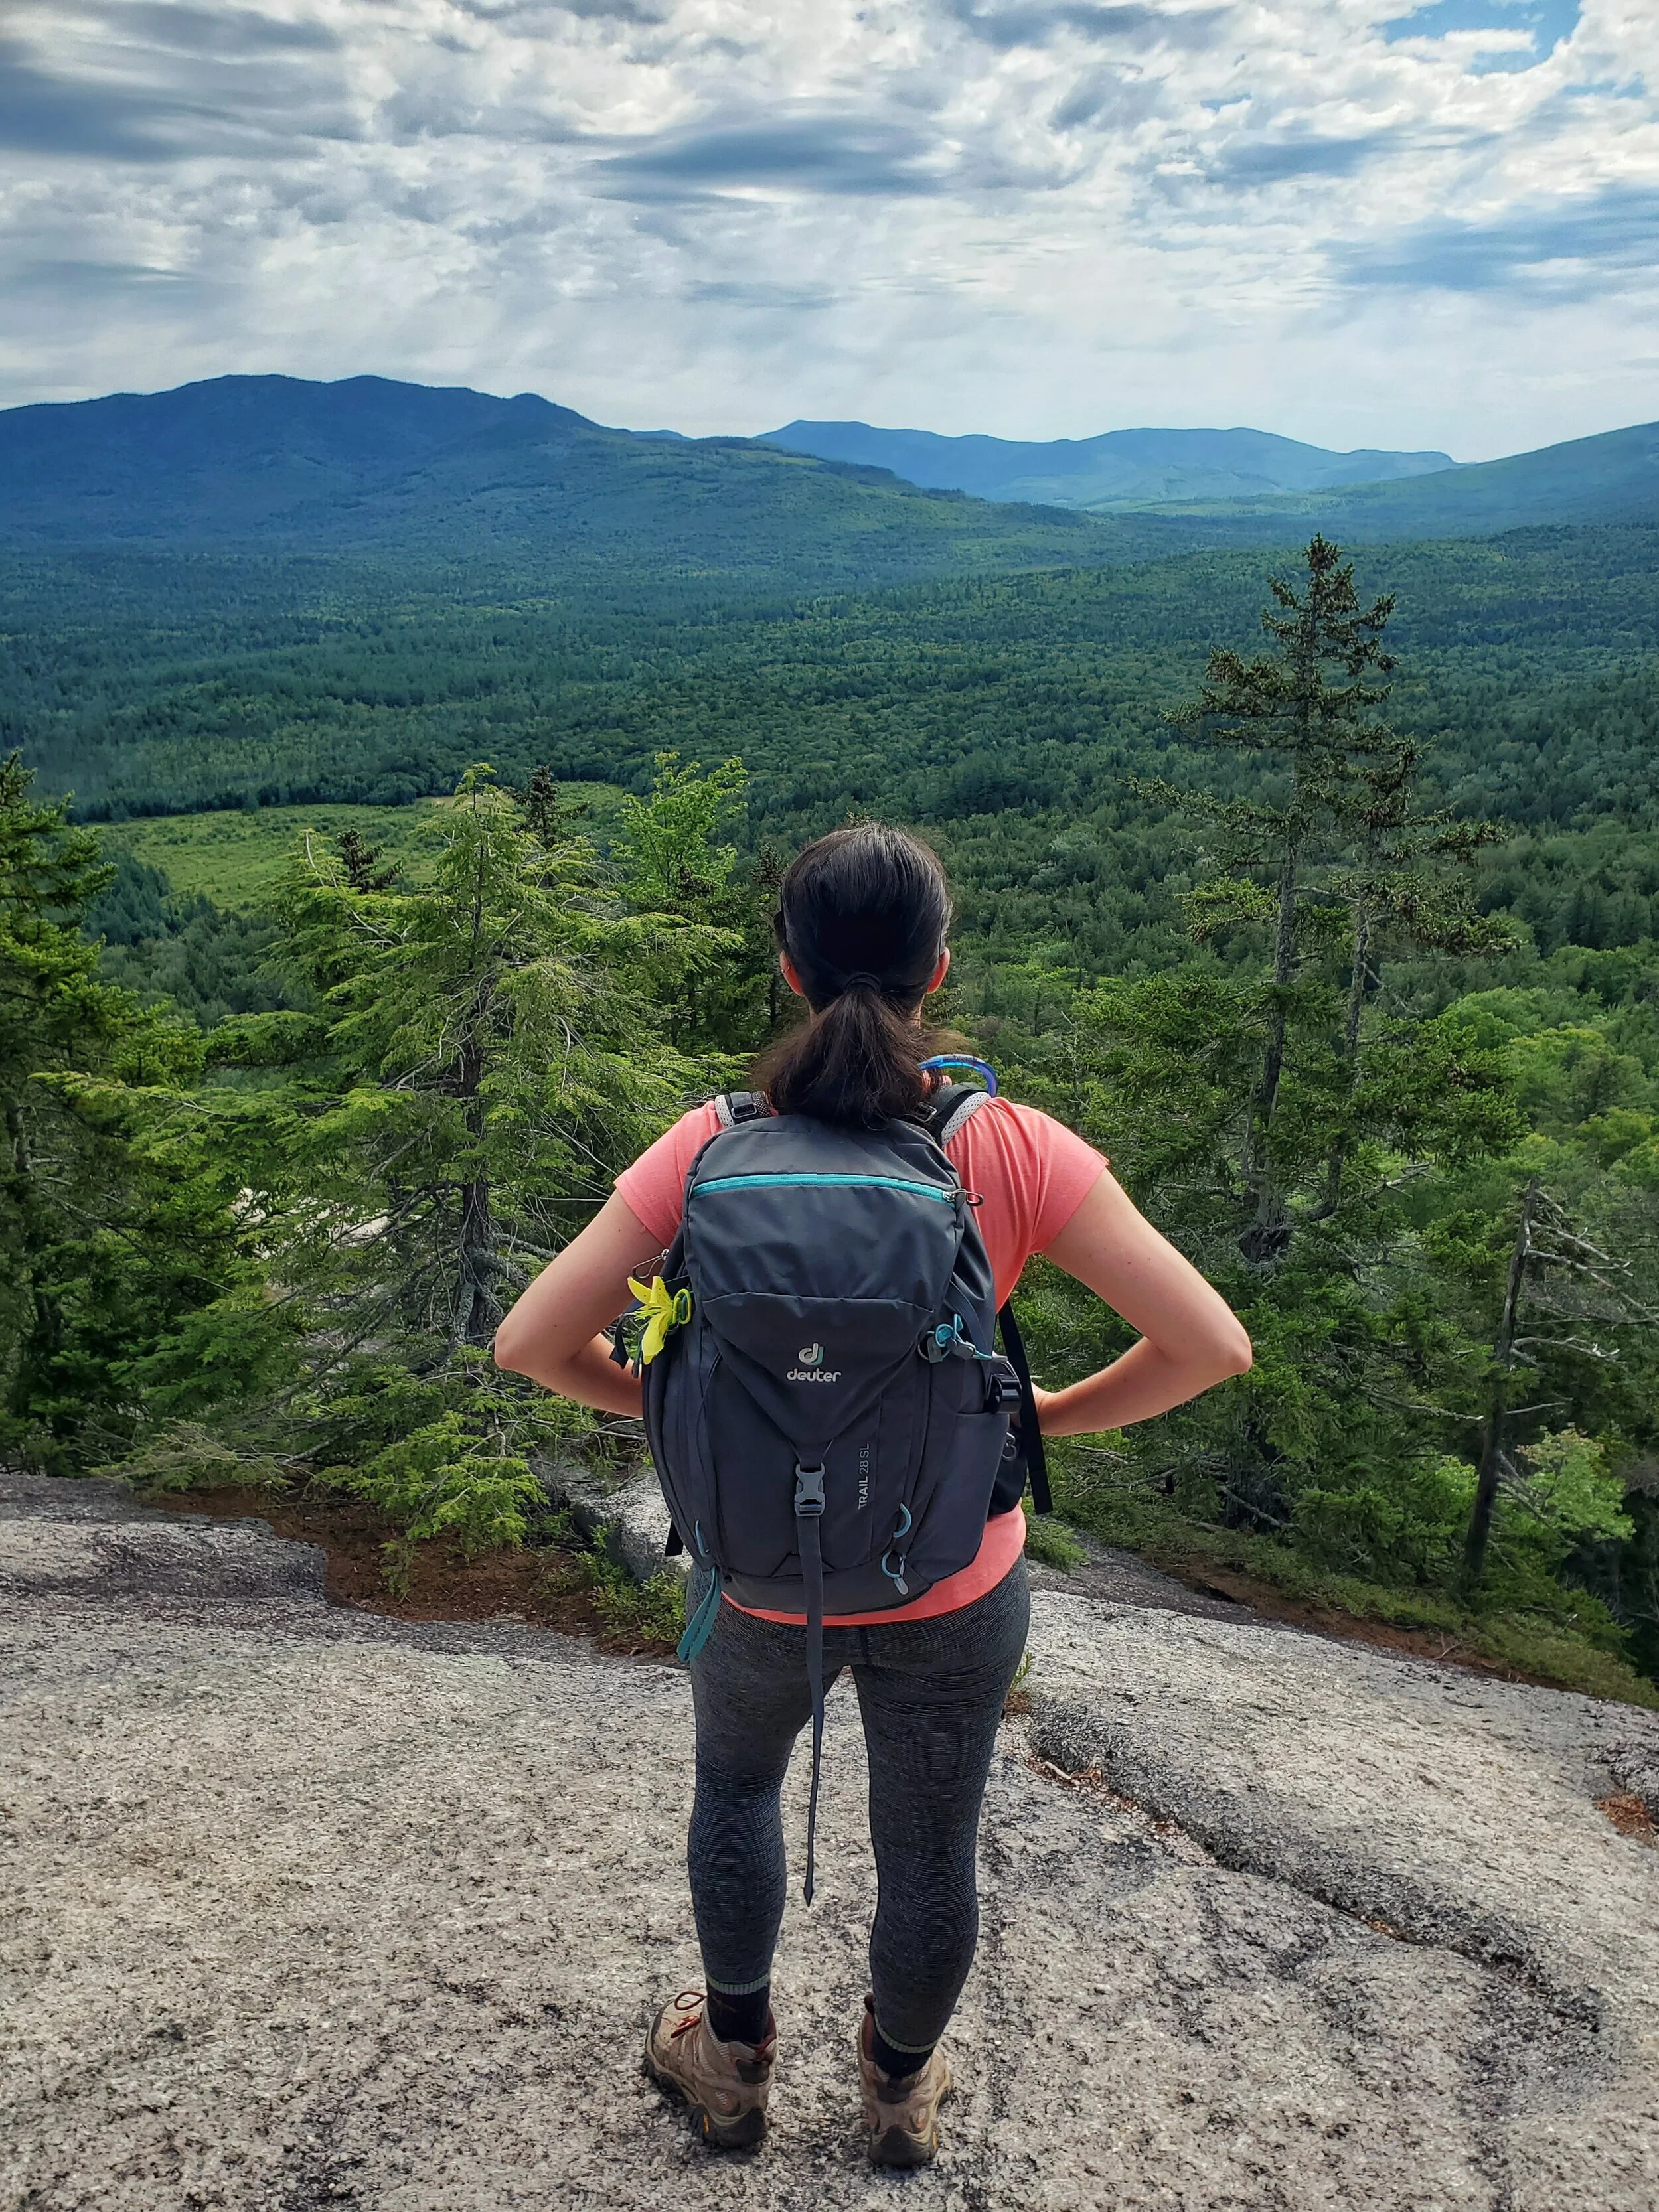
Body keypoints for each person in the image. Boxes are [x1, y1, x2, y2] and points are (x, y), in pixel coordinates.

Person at [493, 822, 1251, 2165]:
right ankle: (896, 2096)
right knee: (929, 1845)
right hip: (955, 1566)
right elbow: (1209, 1345)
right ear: (937, 974)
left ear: (787, 973)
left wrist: (665, 1409)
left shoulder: (710, 1145)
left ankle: (727, 2066)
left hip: (756, 1575)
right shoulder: (1007, 1147)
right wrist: (1046, 1417)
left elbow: (533, 1345)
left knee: (734, 1789)